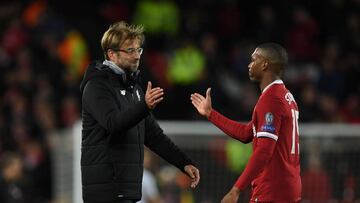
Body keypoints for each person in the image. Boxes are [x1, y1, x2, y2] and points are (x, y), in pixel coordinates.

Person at [80, 21, 200, 203]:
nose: (137, 56)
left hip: (126, 191)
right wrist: (144, 106)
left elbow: (154, 136)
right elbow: (113, 123)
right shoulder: (97, 85)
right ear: (112, 54)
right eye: (130, 50)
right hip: (106, 191)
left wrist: (183, 162)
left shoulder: (133, 89)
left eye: (139, 50)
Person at [191, 43, 301, 202]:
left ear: (264, 64)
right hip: (288, 187)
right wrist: (210, 114)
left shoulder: (271, 99)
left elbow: (264, 151)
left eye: (254, 60)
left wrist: (236, 189)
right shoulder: (285, 96)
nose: (249, 65)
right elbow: (246, 133)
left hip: (272, 190)